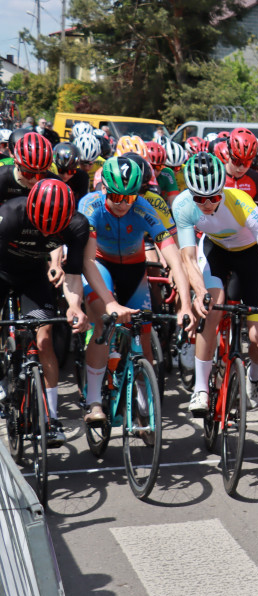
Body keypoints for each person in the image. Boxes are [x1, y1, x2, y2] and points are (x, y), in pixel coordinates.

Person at [0, 180, 132, 445]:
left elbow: (75, 272)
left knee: (45, 339)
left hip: (32, 278)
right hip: (1, 272)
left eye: (54, 227)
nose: (47, 230)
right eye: (42, 224)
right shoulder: (10, 214)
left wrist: (74, 306)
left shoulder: (77, 225)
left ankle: (49, 418)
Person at [172, 152, 258, 415]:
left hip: (250, 255)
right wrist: (200, 292)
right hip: (216, 251)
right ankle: (200, 389)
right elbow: (188, 258)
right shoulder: (182, 205)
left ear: (222, 190)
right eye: (199, 198)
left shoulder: (242, 203)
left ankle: (255, 376)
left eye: (213, 197)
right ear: (190, 193)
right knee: (211, 308)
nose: (206, 204)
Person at [78, 157, 193, 423]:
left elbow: (174, 257)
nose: (122, 204)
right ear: (104, 188)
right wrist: (110, 303)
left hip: (134, 268)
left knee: (144, 331)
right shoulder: (90, 205)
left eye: (129, 198)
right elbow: (86, 261)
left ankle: (144, 402)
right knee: (102, 324)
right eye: (116, 196)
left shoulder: (142, 207)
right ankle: (94, 401)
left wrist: (185, 304)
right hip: (100, 265)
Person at [1, 132, 57, 205]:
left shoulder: (54, 183)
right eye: (27, 174)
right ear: (16, 164)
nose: (34, 180)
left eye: (40, 176)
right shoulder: (2, 177)